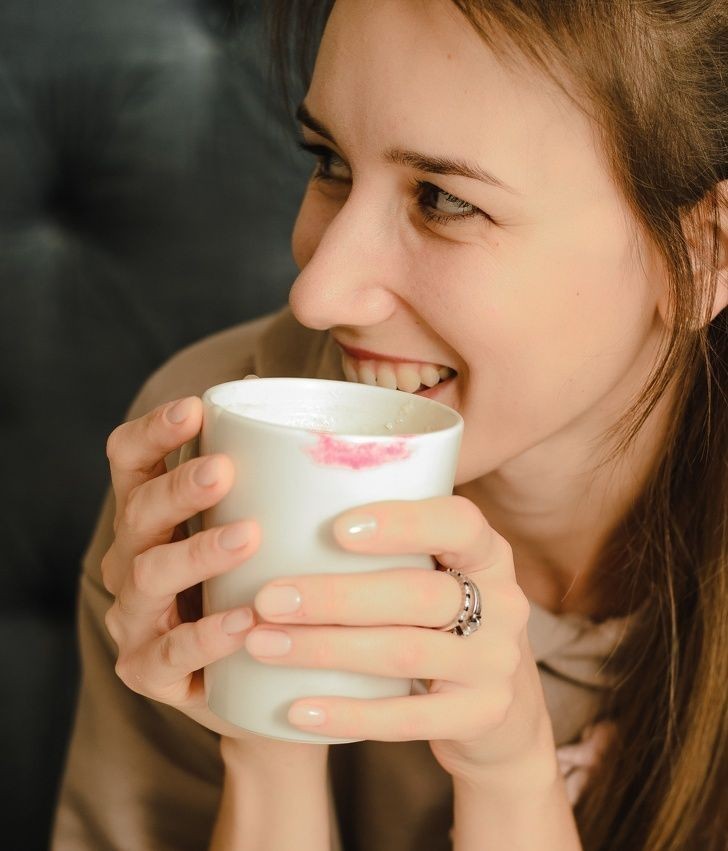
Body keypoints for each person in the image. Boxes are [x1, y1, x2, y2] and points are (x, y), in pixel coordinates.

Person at [52, 1, 727, 849]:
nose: (318, 290)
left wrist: (509, 780)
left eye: (443, 199)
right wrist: (264, 733)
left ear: (704, 255)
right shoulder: (209, 442)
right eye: (328, 160)